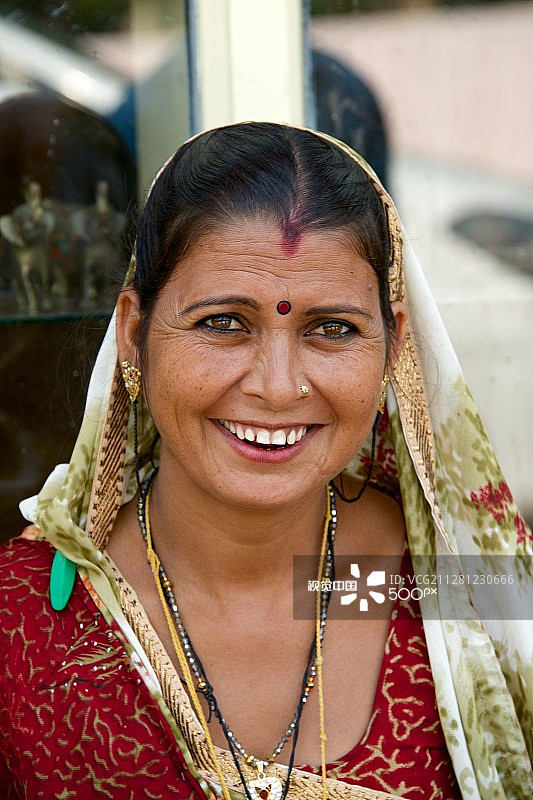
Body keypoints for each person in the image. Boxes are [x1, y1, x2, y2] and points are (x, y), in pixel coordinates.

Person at [0, 122, 531, 800]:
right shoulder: (27, 619)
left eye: (331, 328)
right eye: (223, 322)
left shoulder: (441, 593)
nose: (277, 387)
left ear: (392, 349)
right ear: (135, 335)